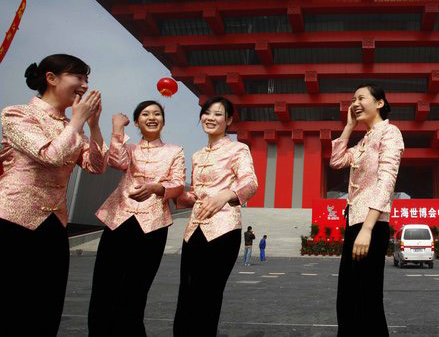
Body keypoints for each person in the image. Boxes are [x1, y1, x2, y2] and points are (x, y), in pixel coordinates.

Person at [0, 54, 107, 336]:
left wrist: (93, 125)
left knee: (47, 307)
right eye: (79, 77)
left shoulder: (73, 127)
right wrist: (77, 122)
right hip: (13, 221)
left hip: (54, 222)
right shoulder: (17, 114)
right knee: (12, 307)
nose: (84, 85)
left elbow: (96, 166)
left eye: (87, 79)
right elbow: (50, 154)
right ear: (51, 78)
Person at [88, 101, 185, 336]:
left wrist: (156, 187)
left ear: (163, 119)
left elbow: (178, 183)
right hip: (118, 220)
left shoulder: (175, 151)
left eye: (157, 114)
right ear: (137, 121)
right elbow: (117, 162)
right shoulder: (129, 148)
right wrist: (117, 129)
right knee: (104, 286)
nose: (152, 117)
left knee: (136, 289)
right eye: (145, 114)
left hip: (153, 225)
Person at [173, 96, 258, 336]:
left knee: (208, 294)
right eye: (206, 113)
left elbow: (251, 183)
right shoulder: (198, 155)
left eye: (218, 114)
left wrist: (226, 195)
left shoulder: (238, 149)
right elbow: (195, 194)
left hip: (223, 229)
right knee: (186, 291)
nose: (210, 118)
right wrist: (174, 193)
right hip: (193, 231)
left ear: (229, 120)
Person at [330, 83, 404, 337]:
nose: (355, 103)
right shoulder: (363, 141)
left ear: (380, 103)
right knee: (347, 299)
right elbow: (337, 161)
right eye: (353, 99)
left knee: (366, 299)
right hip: (354, 222)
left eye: (361, 98)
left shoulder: (390, 133)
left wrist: (368, 228)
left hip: (371, 225)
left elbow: (387, 181)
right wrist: (349, 126)